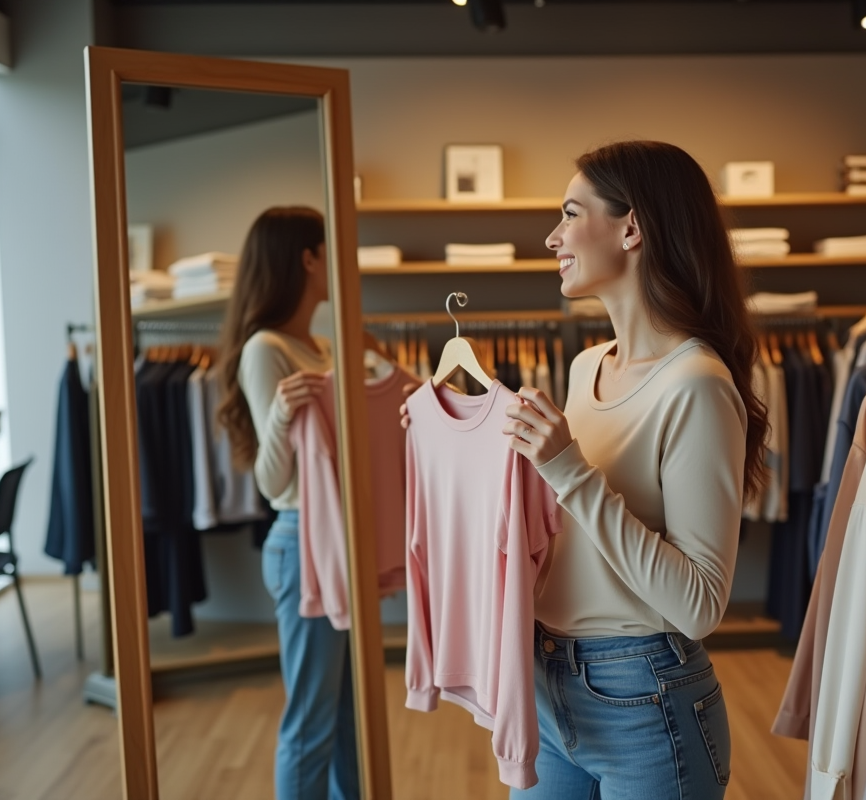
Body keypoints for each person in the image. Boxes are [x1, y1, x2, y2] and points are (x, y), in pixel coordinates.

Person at [403, 140, 767, 798]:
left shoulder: (696, 385)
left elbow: (700, 605)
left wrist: (569, 469)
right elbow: (561, 522)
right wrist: (460, 437)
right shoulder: (585, 366)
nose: (553, 237)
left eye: (571, 213)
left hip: (645, 700)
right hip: (546, 679)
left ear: (632, 228)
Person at [217, 206, 358, 800]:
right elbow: (276, 485)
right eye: (332, 249)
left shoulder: (321, 344)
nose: (340, 261)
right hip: (301, 541)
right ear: (308, 258)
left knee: (349, 721)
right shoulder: (265, 349)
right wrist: (280, 413)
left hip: (336, 541)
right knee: (311, 722)